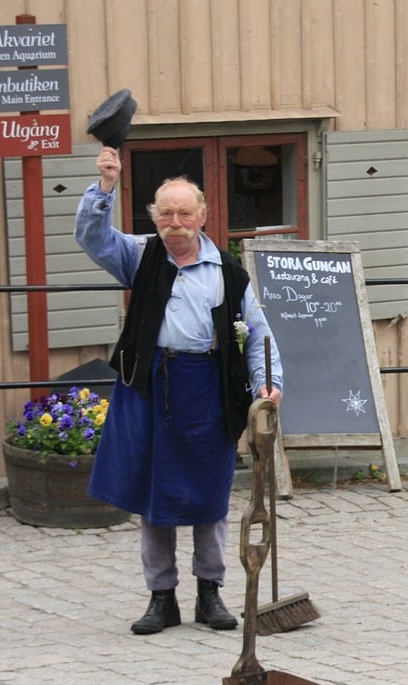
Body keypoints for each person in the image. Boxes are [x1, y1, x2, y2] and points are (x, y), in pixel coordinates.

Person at [75, 146, 283, 635]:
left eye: (184, 212)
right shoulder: (139, 256)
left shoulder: (228, 272)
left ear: (203, 216)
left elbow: (257, 331)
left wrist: (268, 384)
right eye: (165, 213)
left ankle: (210, 594)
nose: (175, 222)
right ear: (155, 218)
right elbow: (90, 236)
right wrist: (104, 187)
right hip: (149, 389)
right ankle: (161, 597)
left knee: (209, 497)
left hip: (206, 391)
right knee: (155, 498)